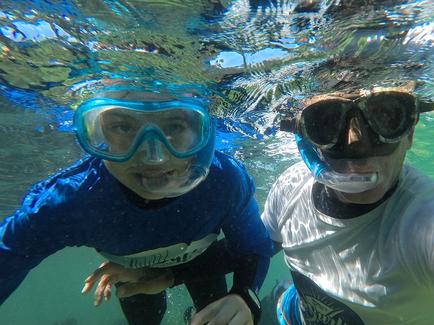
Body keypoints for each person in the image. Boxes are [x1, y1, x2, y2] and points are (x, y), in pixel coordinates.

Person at [261, 83, 434, 324]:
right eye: (326, 121)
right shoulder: (291, 185)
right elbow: (256, 246)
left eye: (386, 115)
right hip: (294, 313)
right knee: (283, 301)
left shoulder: (433, 221)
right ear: (307, 140)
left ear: (409, 134)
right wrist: (243, 293)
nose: (356, 142)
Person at [0, 81, 273, 325]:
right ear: (98, 134)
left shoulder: (225, 181)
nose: (153, 157)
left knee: (212, 311)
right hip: (131, 277)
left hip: (200, 267)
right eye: (122, 126)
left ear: (203, 132)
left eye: (175, 125)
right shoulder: (69, 200)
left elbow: (254, 247)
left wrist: (244, 295)